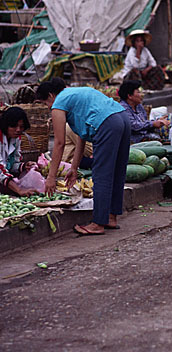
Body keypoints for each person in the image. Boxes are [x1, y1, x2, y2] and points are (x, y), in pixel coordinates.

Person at [36, 77, 130, 235]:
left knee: (101, 175)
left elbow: (59, 143)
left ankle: (98, 223)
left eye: (46, 103)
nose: (48, 107)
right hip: (122, 118)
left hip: (107, 124)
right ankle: (111, 217)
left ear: (51, 96)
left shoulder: (58, 103)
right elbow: (82, 135)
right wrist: (73, 167)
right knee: (117, 171)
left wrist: (51, 177)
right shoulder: (76, 93)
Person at [0, 107, 43, 196]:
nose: (18, 130)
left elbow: (12, 164)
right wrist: (19, 190)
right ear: (5, 125)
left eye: (21, 126)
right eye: (14, 126)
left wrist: (23, 166)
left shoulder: (16, 139)